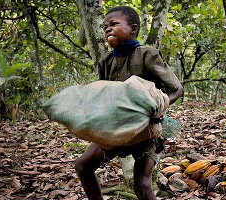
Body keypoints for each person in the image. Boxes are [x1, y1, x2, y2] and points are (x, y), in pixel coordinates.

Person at [75, 6, 184, 200]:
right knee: (83, 166)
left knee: (142, 184)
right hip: (117, 129)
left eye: (114, 24)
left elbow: (177, 89)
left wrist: (158, 109)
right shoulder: (106, 61)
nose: (108, 29)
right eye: (105, 26)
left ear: (132, 29)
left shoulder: (147, 55)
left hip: (147, 132)